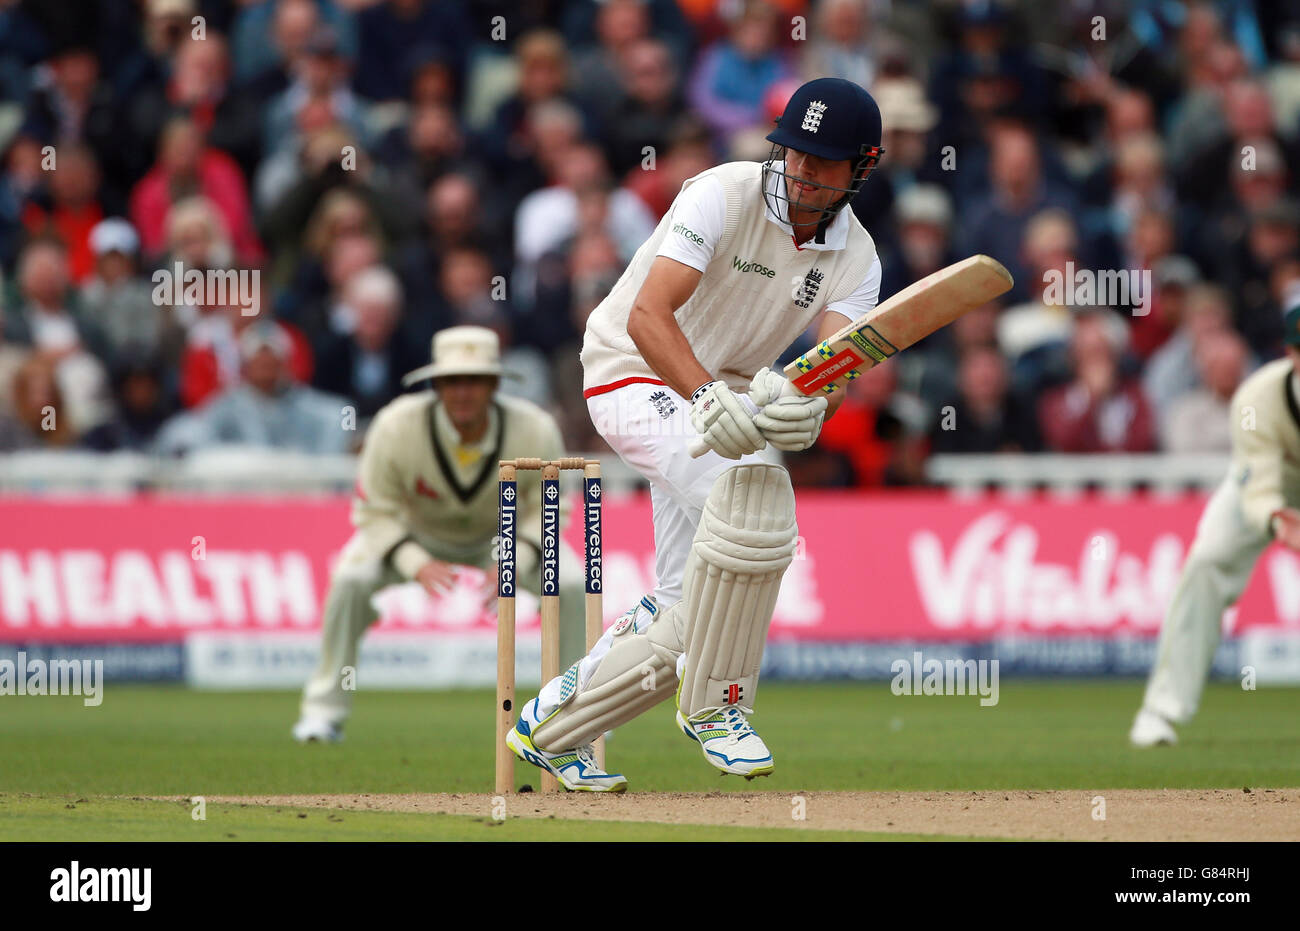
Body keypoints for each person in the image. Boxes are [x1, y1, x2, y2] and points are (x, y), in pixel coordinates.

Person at [506, 77, 885, 790]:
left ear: (860, 167)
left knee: (690, 604)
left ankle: (556, 726)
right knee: (756, 498)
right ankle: (717, 703)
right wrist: (707, 395)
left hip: (727, 399)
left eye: (822, 162)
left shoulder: (858, 261)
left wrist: (812, 405)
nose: (800, 172)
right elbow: (650, 313)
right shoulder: (723, 191)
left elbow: (830, 367)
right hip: (629, 372)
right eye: (794, 153)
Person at [293, 325, 587, 742]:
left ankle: (576, 712)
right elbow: (373, 510)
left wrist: (514, 560)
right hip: (416, 535)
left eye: (474, 381)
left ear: (494, 385)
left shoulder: (534, 427)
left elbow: (552, 508)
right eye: (451, 382)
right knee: (350, 580)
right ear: (435, 384)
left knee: (571, 584)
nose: (462, 393)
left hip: (501, 539)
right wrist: (413, 562)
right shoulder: (396, 426)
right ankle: (323, 711)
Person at [1131, 288, 1300, 747]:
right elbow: (1259, 483)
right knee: (1207, 562)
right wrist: (1278, 519)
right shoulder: (1258, 397)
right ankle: (1160, 710)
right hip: (1268, 487)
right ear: (1290, 354)